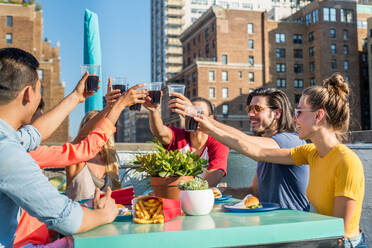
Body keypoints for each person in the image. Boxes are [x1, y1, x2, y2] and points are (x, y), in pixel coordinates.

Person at [195, 73, 365, 246]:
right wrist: (208, 126)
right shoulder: (310, 152)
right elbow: (257, 152)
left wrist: (209, 125)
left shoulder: (346, 161)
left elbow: (339, 232)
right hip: (322, 239)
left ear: (318, 116)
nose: (294, 118)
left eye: (299, 112)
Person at [0, 47, 118, 247]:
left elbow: (33, 134)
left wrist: (76, 97)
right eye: (40, 88)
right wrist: (105, 214)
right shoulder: (7, 151)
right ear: (29, 93)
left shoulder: (9, 140)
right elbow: (65, 218)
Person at [14, 81, 146, 248]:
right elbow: (84, 146)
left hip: (51, 237)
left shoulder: (24, 150)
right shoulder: (24, 153)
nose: (41, 133)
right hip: (40, 241)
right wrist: (116, 107)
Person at [173, 88, 310, 211]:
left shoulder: (290, 140)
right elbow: (255, 191)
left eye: (257, 108)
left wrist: (201, 118)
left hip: (291, 224)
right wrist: (219, 191)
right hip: (268, 223)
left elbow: (245, 141)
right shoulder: (265, 145)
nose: (250, 114)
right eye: (249, 109)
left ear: (276, 113)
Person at [143, 93, 229, 187]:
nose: (194, 117)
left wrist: (193, 192)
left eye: (199, 113)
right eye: (190, 112)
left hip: (204, 197)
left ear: (210, 118)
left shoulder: (218, 141)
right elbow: (160, 133)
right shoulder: (179, 136)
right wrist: (153, 110)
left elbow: (216, 172)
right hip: (176, 194)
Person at [65, 110, 121, 201]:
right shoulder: (77, 157)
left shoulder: (111, 161)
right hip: (79, 214)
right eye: (93, 124)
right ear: (85, 128)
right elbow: (80, 138)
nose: (97, 129)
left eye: (101, 125)